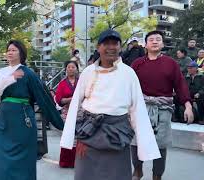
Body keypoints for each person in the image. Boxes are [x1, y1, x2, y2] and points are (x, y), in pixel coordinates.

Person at [60, 29, 160, 180]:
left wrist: (145, 147)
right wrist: (71, 139)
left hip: (118, 134)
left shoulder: (129, 73)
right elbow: (75, 106)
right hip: (88, 134)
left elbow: (137, 109)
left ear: (120, 47)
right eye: (106, 43)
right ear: (98, 47)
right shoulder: (88, 72)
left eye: (115, 43)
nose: (111, 47)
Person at [0, 40, 64, 180]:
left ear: (21, 53)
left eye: (14, 50)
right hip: (4, 120)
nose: (10, 52)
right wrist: (11, 78)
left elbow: (44, 99)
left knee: (23, 159)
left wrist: (60, 123)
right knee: (0, 156)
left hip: (23, 121)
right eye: (9, 50)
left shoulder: (28, 73)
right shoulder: (2, 72)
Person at [131, 30, 194, 180]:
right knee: (135, 141)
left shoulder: (171, 63)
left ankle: (157, 175)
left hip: (163, 108)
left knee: (160, 144)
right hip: (140, 107)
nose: (154, 41)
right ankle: (138, 170)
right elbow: (128, 86)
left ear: (163, 44)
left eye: (158, 39)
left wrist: (188, 106)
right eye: (151, 39)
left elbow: (180, 85)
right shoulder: (137, 64)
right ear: (145, 44)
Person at [55, 61, 79, 168]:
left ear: (76, 69)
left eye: (73, 67)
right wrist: (71, 99)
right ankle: (66, 162)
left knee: (79, 136)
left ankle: (78, 162)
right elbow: (59, 99)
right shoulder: (62, 83)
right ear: (66, 69)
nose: (71, 69)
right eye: (69, 67)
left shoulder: (81, 82)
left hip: (80, 112)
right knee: (68, 135)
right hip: (67, 112)